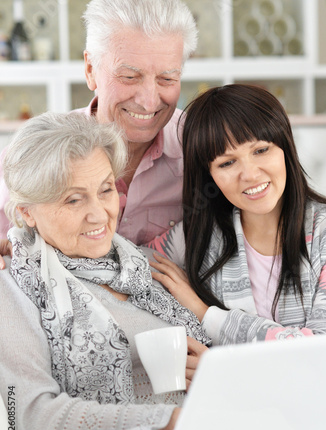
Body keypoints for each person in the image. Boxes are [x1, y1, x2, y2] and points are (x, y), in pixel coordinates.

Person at [1, 112, 326, 430]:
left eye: (105, 190)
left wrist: (209, 382)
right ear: (25, 211)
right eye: (73, 199)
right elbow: (36, 422)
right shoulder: (15, 286)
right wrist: (168, 420)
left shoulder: (145, 267)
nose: (99, 214)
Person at [147, 84, 326, 430]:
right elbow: (122, 263)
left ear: (285, 147)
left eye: (261, 149)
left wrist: (208, 318)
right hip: (241, 428)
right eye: (226, 163)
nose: (250, 174)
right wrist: (22, 244)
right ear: (209, 174)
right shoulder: (198, 235)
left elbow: (321, 354)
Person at [0, 0, 197, 259]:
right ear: (91, 70)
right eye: (129, 77)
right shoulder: (34, 155)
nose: (149, 101)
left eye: (167, 79)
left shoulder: (203, 150)